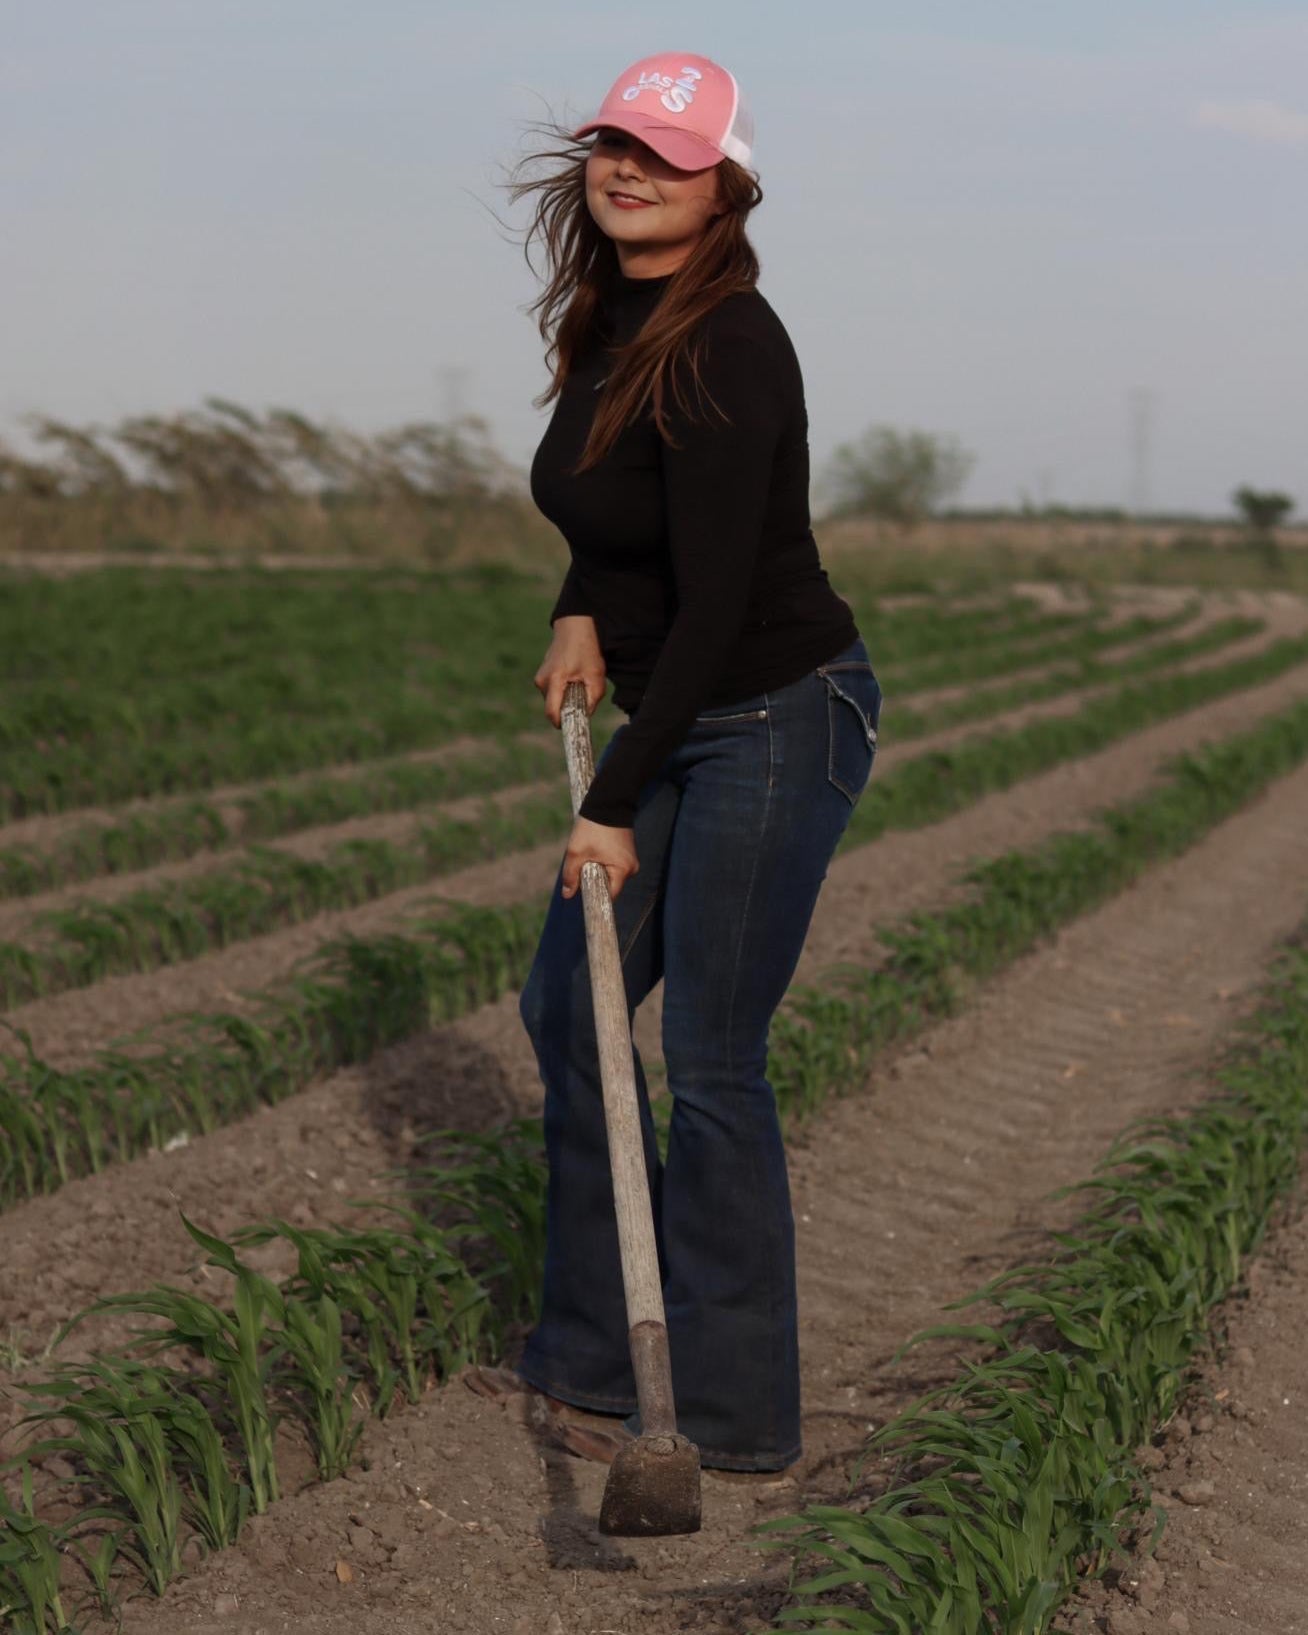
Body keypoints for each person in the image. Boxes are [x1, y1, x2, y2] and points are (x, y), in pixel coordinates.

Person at [467, 51, 882, 1478]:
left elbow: (714, 607)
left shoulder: (727, 344)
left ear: (728, 187)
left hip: (772, 713)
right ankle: (591, 1349)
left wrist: (609, 803)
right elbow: (606, 505)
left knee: (708, 1059)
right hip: (678, 703)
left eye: (668, 152)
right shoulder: (616, 320)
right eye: (614, 144)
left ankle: (734, 1407)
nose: (630, 166)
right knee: (568, 1012)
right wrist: (580, 597)